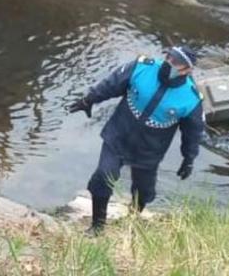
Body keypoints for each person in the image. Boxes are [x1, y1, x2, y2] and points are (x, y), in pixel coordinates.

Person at [67, 45, 204, 232]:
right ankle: (97, 226)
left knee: (144, 192)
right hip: (118, 136)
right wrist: (89, 100)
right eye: (169, 58)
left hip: (149, 150)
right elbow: (112, 84)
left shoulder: (191, 99)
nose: (169, 64)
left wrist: (189, 159)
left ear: (187, 70)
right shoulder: (142, 67)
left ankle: (133, 217)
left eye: (176, 63)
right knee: (102, 178)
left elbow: (193, 133)